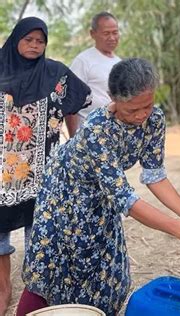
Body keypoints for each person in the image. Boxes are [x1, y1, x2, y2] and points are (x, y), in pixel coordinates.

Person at [17, 58, 180, 316]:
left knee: (105, 274)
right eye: (131, 110)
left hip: (102, 198)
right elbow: (126, 200)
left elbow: (154, 176)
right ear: (113, 99)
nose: (140, 116)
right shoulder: (98, 129)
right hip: (63, 198)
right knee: (52, 270)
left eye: (146, 106)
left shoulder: (155, 120)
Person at [0, 17, 91, 315]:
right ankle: (2, 288)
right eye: (29, 39)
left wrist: (75, 141)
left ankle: (36, 292)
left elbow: (73, 105)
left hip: (43, 170)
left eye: (40, 41)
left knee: (39, 230)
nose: (35, 45)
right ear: (16, 40)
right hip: (2, 172)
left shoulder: (55, 73)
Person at [70, 12, 121, 131]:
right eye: (106, 33)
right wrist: (73, 138)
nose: (112, 38)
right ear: (93, 34)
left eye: (115, 32)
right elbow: (71, 100)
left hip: (115, 133)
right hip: (90, 133)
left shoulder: (120, 63)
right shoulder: (83, 61)